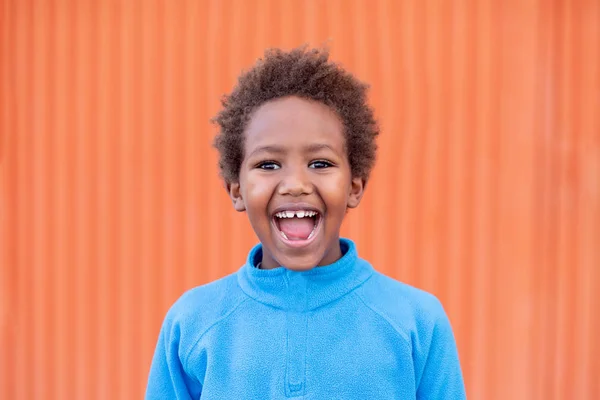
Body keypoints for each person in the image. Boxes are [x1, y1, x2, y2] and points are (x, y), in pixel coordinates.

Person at [145, 46, 466, 399]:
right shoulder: (192, 323)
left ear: (354, 187)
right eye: (268, 165)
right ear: (236, 190)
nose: (296, 183)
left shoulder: (416, 322)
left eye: (320, 163)